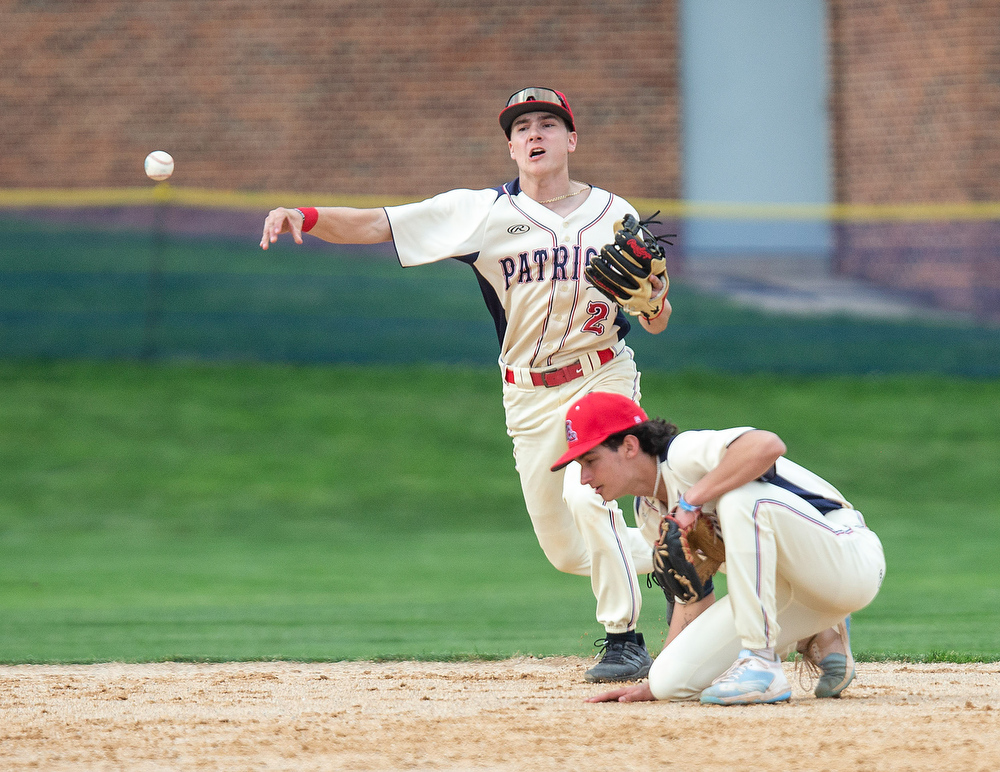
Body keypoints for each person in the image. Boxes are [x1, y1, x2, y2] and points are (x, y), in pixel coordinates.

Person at [260, 88, 671, 682]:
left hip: (603, 371)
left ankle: (623, 640)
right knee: (566, 551)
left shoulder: (615, 214)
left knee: (591, 493)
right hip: (528, 390)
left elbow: (657, 321)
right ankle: (688, 549)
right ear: (510, 146)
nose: (535, 134)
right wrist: (309, 216)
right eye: (523, 126)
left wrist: (654, 298)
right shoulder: (482, 214)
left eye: (548, 125)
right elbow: (381, 224)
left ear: (571, 140)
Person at [549, 392, 886, 704]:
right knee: (669, 683)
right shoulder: (649, 511)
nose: (584, 478)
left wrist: (693, 500)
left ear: (629, 446)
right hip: (792, 595)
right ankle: (816, 631)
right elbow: (693, 594)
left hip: (848, 558)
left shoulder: (682, 454)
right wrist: (653, 682)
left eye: (590, 460)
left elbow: (766, 444)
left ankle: (763, 659)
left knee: (741, 499)